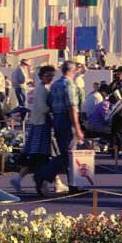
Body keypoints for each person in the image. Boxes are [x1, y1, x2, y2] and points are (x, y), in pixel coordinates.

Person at [35, 60, 83, 194]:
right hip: (67, 120)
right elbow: (72, 108)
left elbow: (49, 102)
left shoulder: (55, 85)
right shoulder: (70, 85)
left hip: (57, 119)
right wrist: (78, 128)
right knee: (68, 154)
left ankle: (73, 185)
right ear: (73, 71)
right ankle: (44, 175)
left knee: (66, 154)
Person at [10, 64, 55, 193]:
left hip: (39, 123)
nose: (50, 78)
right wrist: (54, 109)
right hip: (41, 124)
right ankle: (42, 183)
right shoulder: (42, 89)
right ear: (41, 76)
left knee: (37, 156)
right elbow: (42, 108)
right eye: (48, 75)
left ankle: (20, 179)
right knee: (40, 156)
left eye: (52, 76)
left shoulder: (42, 88)